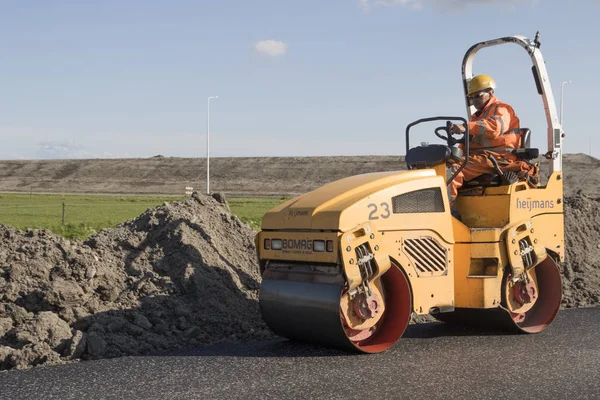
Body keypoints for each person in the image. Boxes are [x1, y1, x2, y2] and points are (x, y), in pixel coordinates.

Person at [448, 74, 536, 205]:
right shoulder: (477, 117)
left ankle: (445, 212)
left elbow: (495, 128)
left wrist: (466, 127)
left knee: (453, 171)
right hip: (483, 159)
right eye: (472, 97)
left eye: (478, 96)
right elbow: (470, 140)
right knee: (441, 165)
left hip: (499, 159)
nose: (475, 100)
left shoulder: (502, 109)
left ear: (490, 92)